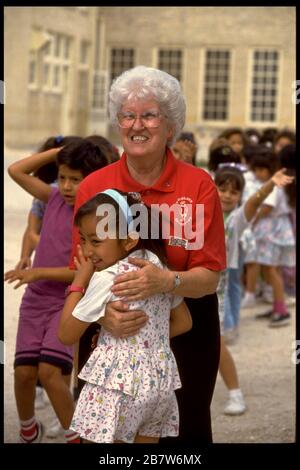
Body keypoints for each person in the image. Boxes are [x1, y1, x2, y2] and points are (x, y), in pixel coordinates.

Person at [70, 65, 226, 443]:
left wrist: (166, 281)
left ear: (170, 125)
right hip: (112, 325)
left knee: (184, 431)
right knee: (108, 434)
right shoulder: (96, 186)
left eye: (149, 115)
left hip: (185, 321)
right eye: (128, 115)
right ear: (118, 122)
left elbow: (210, 277)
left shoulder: (199, 185)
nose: (137, 124)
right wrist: (102, 314)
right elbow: (82, 266)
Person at [59, 189, 192, 443]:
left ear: (129, 240)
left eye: (95, 241)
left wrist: (78, 282)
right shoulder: (156, 266)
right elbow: (184, 322)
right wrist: (140, 343)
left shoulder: (106, 277)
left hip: (117, 386)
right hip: (160, 384)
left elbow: (66, 334)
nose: (86, 251)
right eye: (83, 240)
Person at [5, 139, 108, 443]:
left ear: (92, 179)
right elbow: (15, 170)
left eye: (75, 179)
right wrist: (61, 152)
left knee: (50, 372)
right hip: (34, 300)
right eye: (62, 176)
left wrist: (37, 272)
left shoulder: (95, 218)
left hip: (67, 301)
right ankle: (28, 429)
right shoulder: (51, 198)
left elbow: (83, 272)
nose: (66, 186)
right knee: (24, 373)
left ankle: (76, 436)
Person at [214, 164, 294, 414]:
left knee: (216, 344)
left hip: (217, 288)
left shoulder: (237, 219)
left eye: (234, 192)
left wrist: (270, 183)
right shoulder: (200, 214)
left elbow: (254, 203)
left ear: (240, 196)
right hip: (189, 284)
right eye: (222, 189)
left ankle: (236, 394)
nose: (227, 195)